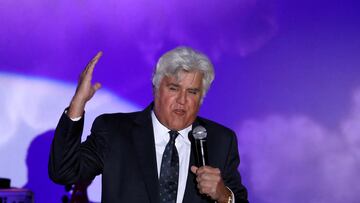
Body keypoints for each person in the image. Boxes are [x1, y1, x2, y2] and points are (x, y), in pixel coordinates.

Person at [49, 47, 249, 203]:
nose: (182, 100)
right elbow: (64, 172)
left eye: (192, 92)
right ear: (156, 87)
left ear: (201, 97)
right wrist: (78, 103)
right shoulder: (114, 131)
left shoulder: (221, 141)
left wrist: (224, 196)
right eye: (174, 88)